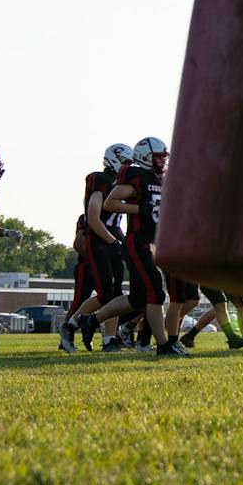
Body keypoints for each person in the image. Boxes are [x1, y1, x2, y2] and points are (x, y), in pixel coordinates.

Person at [104, 137, 186, 357]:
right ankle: (163, 345)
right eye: (158, 157)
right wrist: (140, 208)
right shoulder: (136, 175)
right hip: (138, 241)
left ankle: (88, 321)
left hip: (155, 243)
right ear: (145, 156)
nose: (162, 161)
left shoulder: (161, 179)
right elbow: (110, 203)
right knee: (156, 292)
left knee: (139, 298)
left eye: (164, 157)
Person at [60, 143, 132, 353]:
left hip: (112, 237)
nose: (127, 167)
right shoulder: (100, 180)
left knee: (117, 294)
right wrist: (113, 241)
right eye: (125, 162)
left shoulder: (121, 184)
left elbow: (116, 220)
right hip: (99, 240)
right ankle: (69, 326)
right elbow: (93, 217)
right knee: (105, 294)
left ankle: (109, 339)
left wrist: (123, 241)